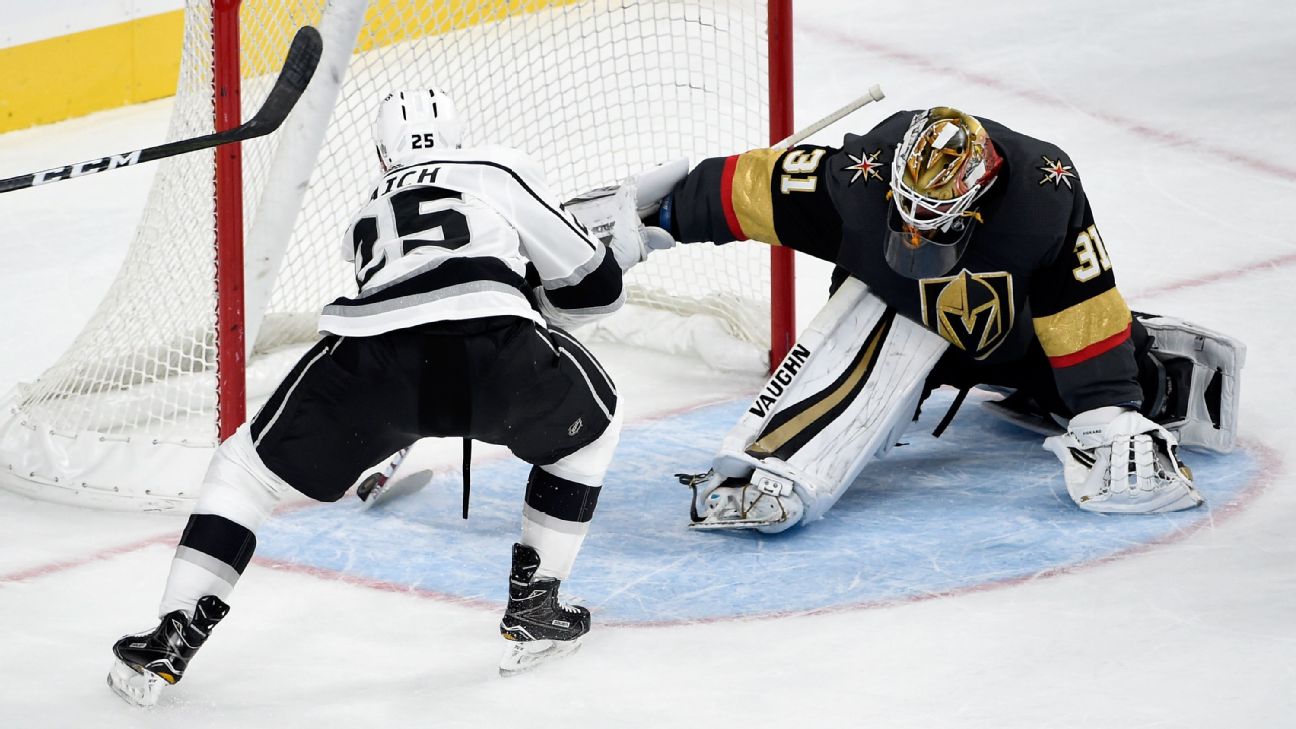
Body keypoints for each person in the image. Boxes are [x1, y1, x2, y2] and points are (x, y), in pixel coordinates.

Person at [107, 87, 673, 705]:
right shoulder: (497, 166)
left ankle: (170, 635)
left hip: (368, 357)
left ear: (384, 157)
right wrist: (619, 250)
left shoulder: (363, 215)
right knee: (592, 428)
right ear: (458, 138)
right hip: (493, 350)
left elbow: (416, 319)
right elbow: (592, 294)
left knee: (244, 471)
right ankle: (535, 609)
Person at [633, 106, 1244, 532]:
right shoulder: (861, 174)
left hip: (1009, 329)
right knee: (847, 377)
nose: (916, 230)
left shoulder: (1042, 195)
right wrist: (650, 219)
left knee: (1140, 392)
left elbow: (1080, 299)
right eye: (907, 212)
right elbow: (759, 188)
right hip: (895, 312)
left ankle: (1129, 372)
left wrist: (1108, 407)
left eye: (934, 217)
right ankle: (780, 460)